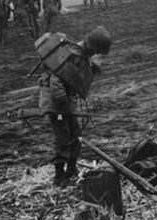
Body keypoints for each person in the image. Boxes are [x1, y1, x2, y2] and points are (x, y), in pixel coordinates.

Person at [37, 27, 112, 185]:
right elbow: (56, 82)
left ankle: (71, 168)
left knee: (76, 135)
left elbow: (79, 76)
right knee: (62, 136)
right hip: (56, 104)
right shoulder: (71, 54)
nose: (95, 55)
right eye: (96, 52)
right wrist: (64, 105)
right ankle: (59, 175)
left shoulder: (82, 55)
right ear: (91, 47)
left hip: (66, 104)